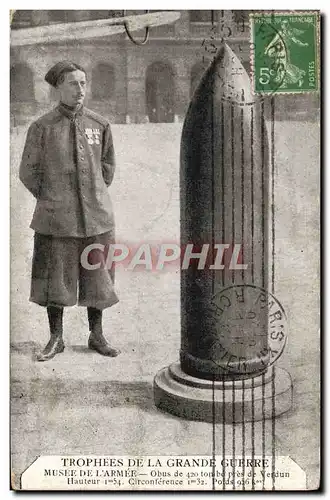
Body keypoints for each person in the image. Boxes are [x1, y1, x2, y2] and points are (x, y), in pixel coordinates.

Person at [19, 60, 120, 361]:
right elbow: (28, 171)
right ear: (58, 88)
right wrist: (53, 198)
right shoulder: (42, 127)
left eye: (83, 83)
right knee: (55, 279)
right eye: (73, 84)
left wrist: (93, 195)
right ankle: (56, 338)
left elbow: (108, 167)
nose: (80, 89)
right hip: (56, 218)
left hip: (96, 216)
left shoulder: (100, 125)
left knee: (98, 276)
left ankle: (97, 334)